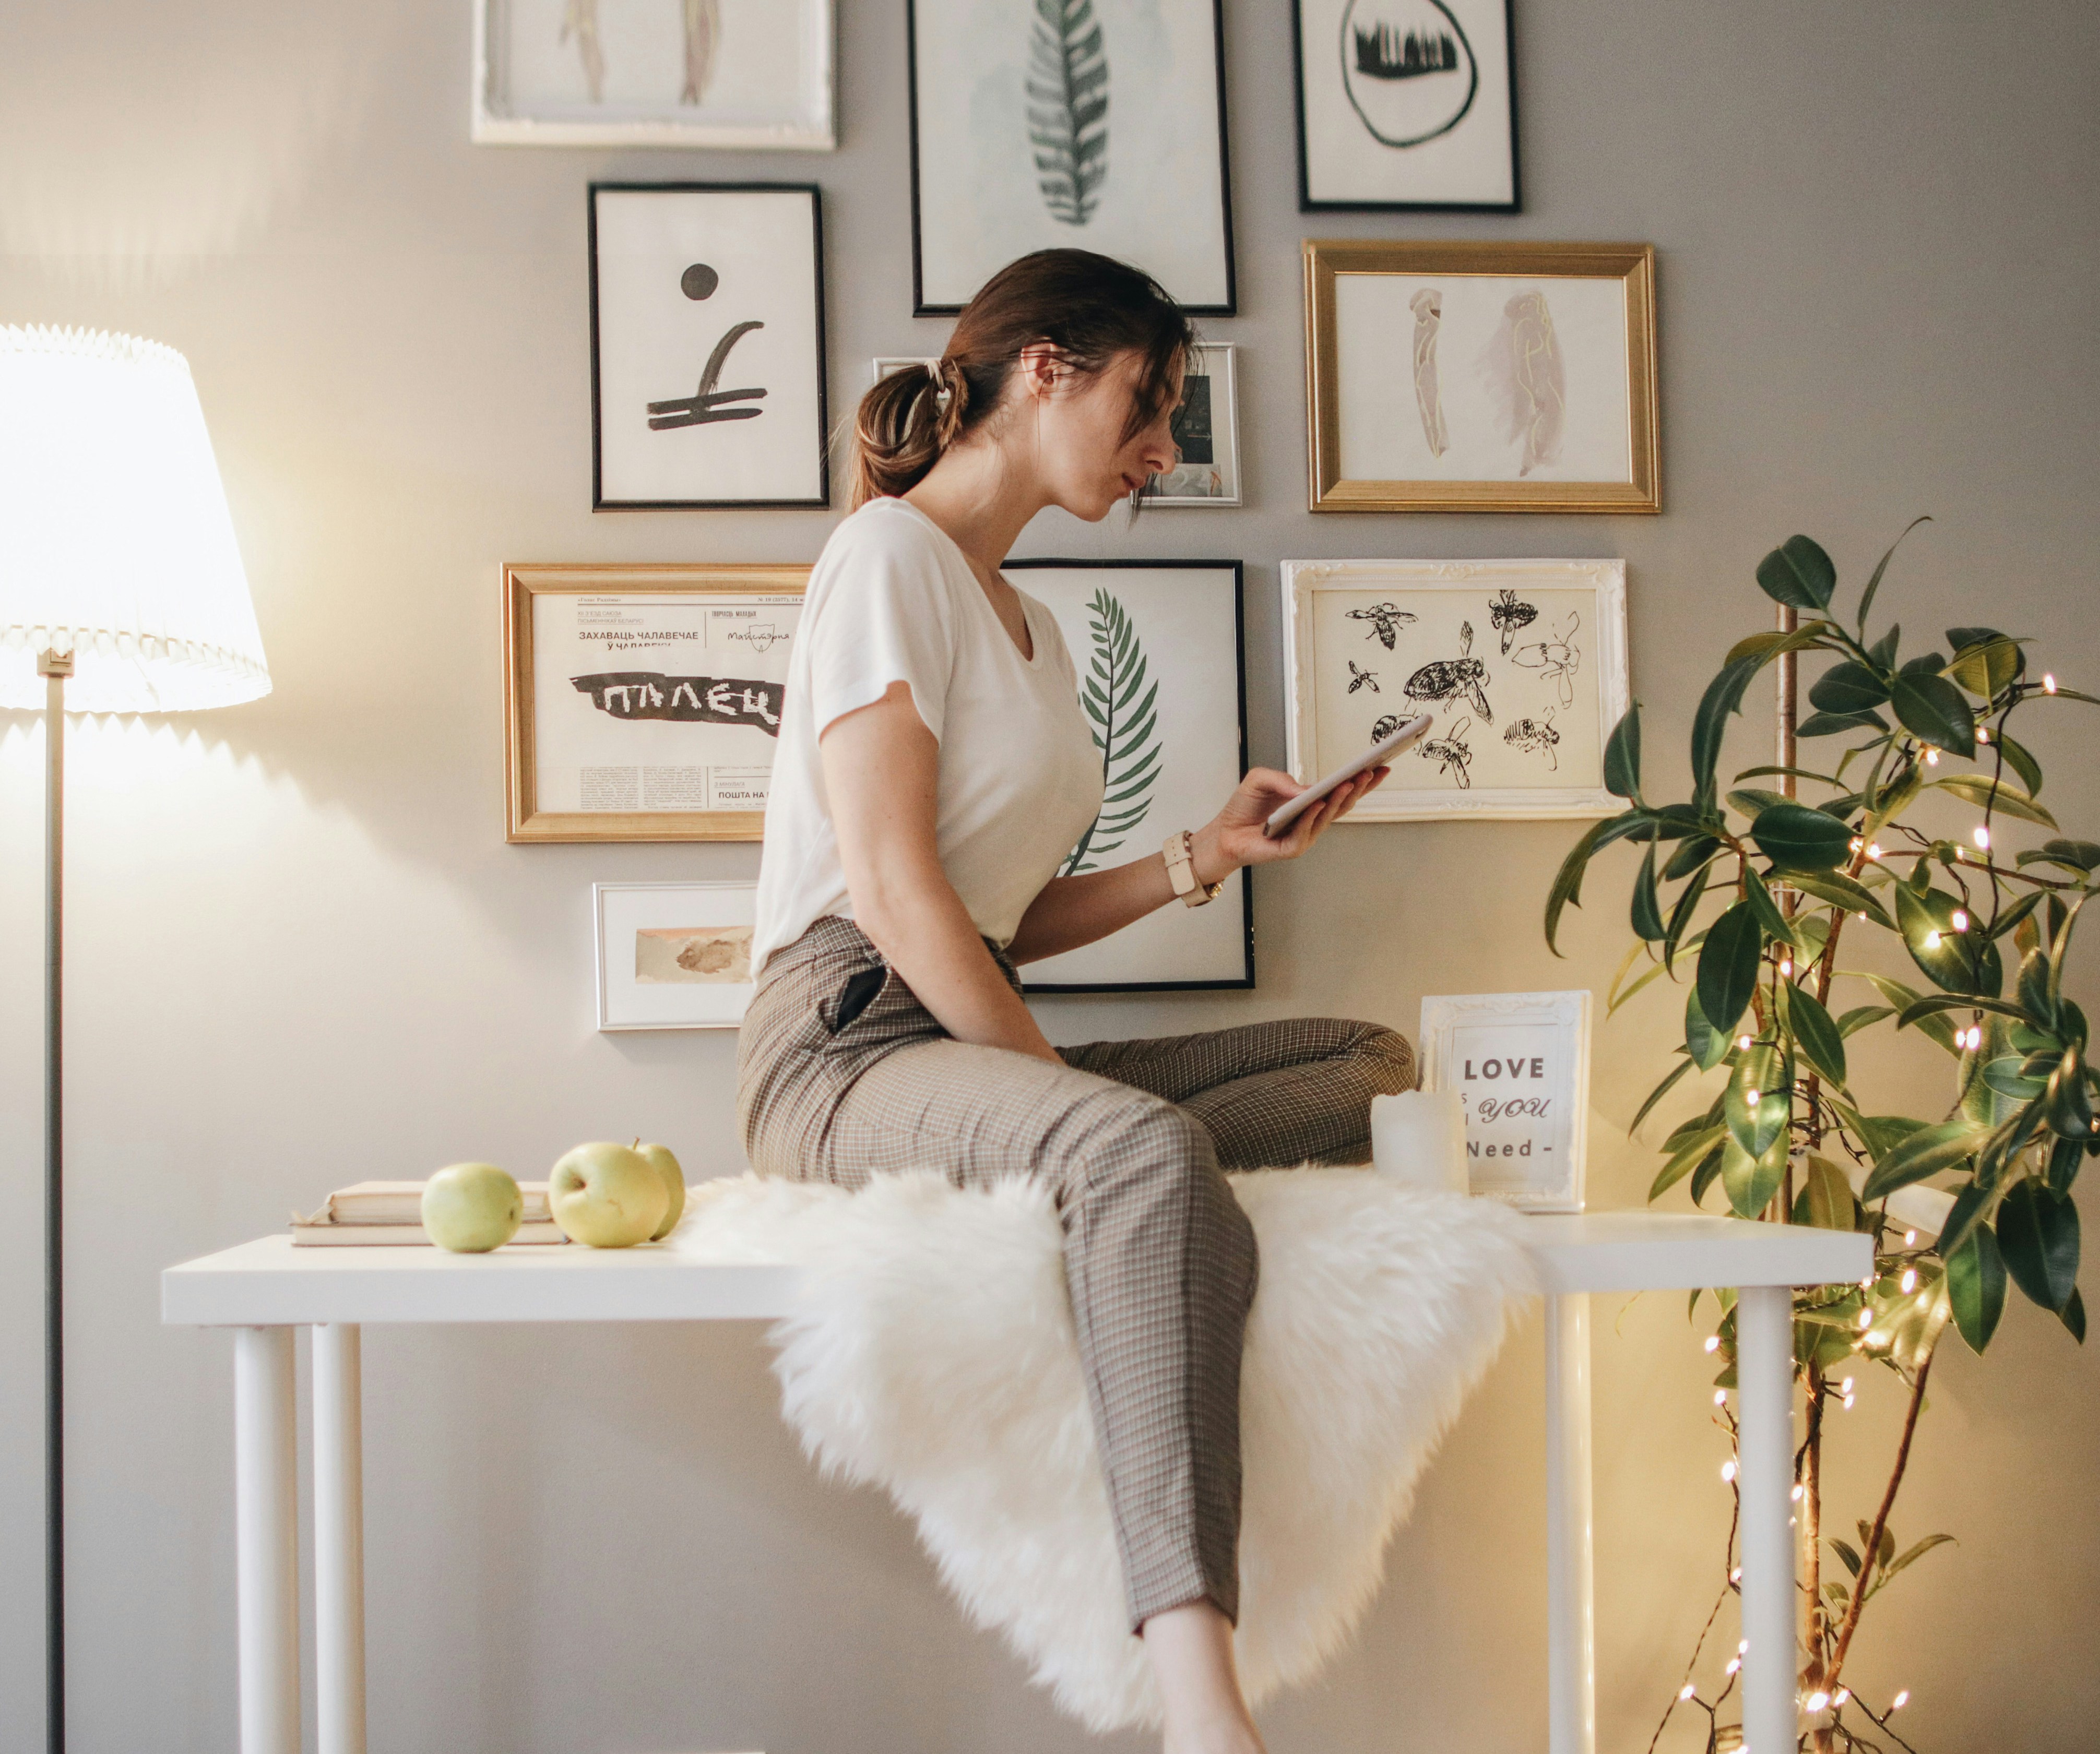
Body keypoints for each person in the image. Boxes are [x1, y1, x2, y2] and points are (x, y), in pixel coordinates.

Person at [735, 248, 1415, 1754]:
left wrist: (1206, 854)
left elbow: (995, 918)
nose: (1165, 448)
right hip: (840, 1046)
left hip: (946, 1026)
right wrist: (1075, 1108)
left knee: (1369, 1066)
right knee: (1135, 1152)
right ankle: (1199, 1701)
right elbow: (898, 896)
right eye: (1149, 402)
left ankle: (1111, 1187)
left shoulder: (1023, 626)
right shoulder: (886, 560)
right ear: (1043, 367)